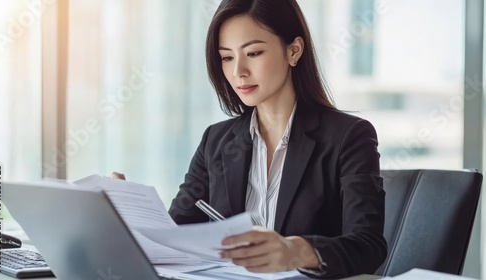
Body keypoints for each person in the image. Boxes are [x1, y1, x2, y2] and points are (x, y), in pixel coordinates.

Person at [114, 0, 387, 278]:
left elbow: (368, 246)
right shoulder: (216, 141)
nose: (238, 72)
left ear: (293, 51)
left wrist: (295, 251)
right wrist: (131, 213)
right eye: (227, 57)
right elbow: (178, 236)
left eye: (253, 53)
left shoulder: (348, 136)